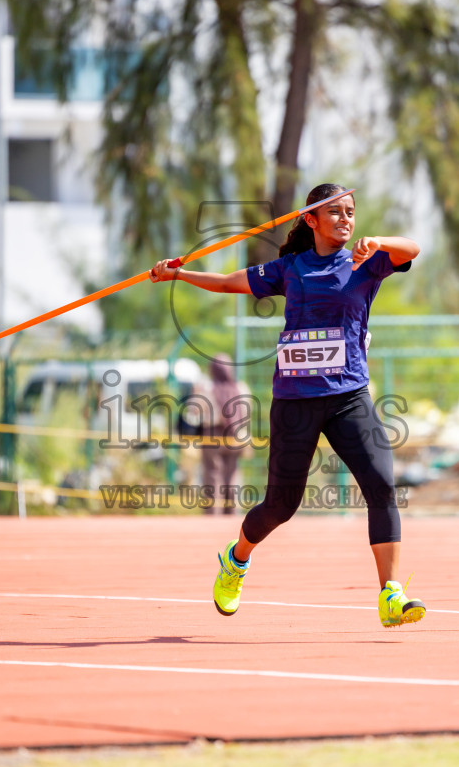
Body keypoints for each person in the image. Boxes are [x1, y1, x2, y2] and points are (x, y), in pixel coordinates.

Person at [150, 182, 425, 629]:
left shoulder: (367, 261)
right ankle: (236, 559)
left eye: (351, 212)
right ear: (310, 219)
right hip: (296, 400)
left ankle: (391, 594)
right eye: (334, 212)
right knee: (280, 506)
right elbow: (225, 283)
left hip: (349, 396)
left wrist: (380, 243)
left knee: (381, 484)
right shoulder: (289, 269)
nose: (346, 220)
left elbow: (412, 247)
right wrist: (178, 274)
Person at [199, 354, 250, 514]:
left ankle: (213, 513)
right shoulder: (241, 388)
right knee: (233, 474)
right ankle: (233, 513)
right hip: (237, 435)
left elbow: (196, 412)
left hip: (213, 435)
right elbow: (247, 414)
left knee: (213, 474)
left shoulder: (207, 388)